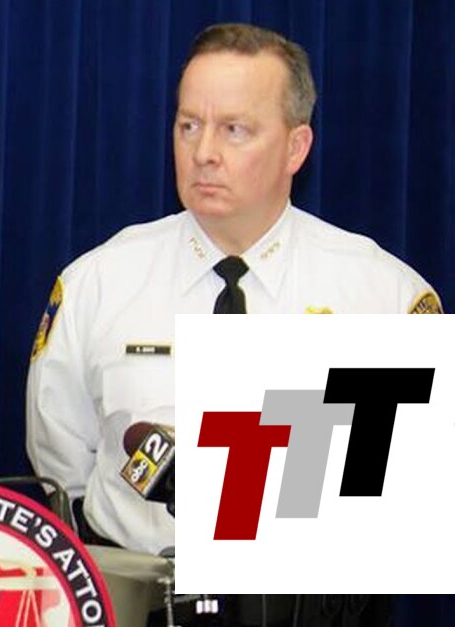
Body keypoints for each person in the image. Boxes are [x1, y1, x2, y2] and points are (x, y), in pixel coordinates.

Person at [26, 23, 441, 624]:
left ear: (296, 147)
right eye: (188, 125)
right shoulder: (98, 283)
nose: (203, 153)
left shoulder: (383, 297)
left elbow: (402, 498)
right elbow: (63, 468)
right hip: (140, 603)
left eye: (234, 130)